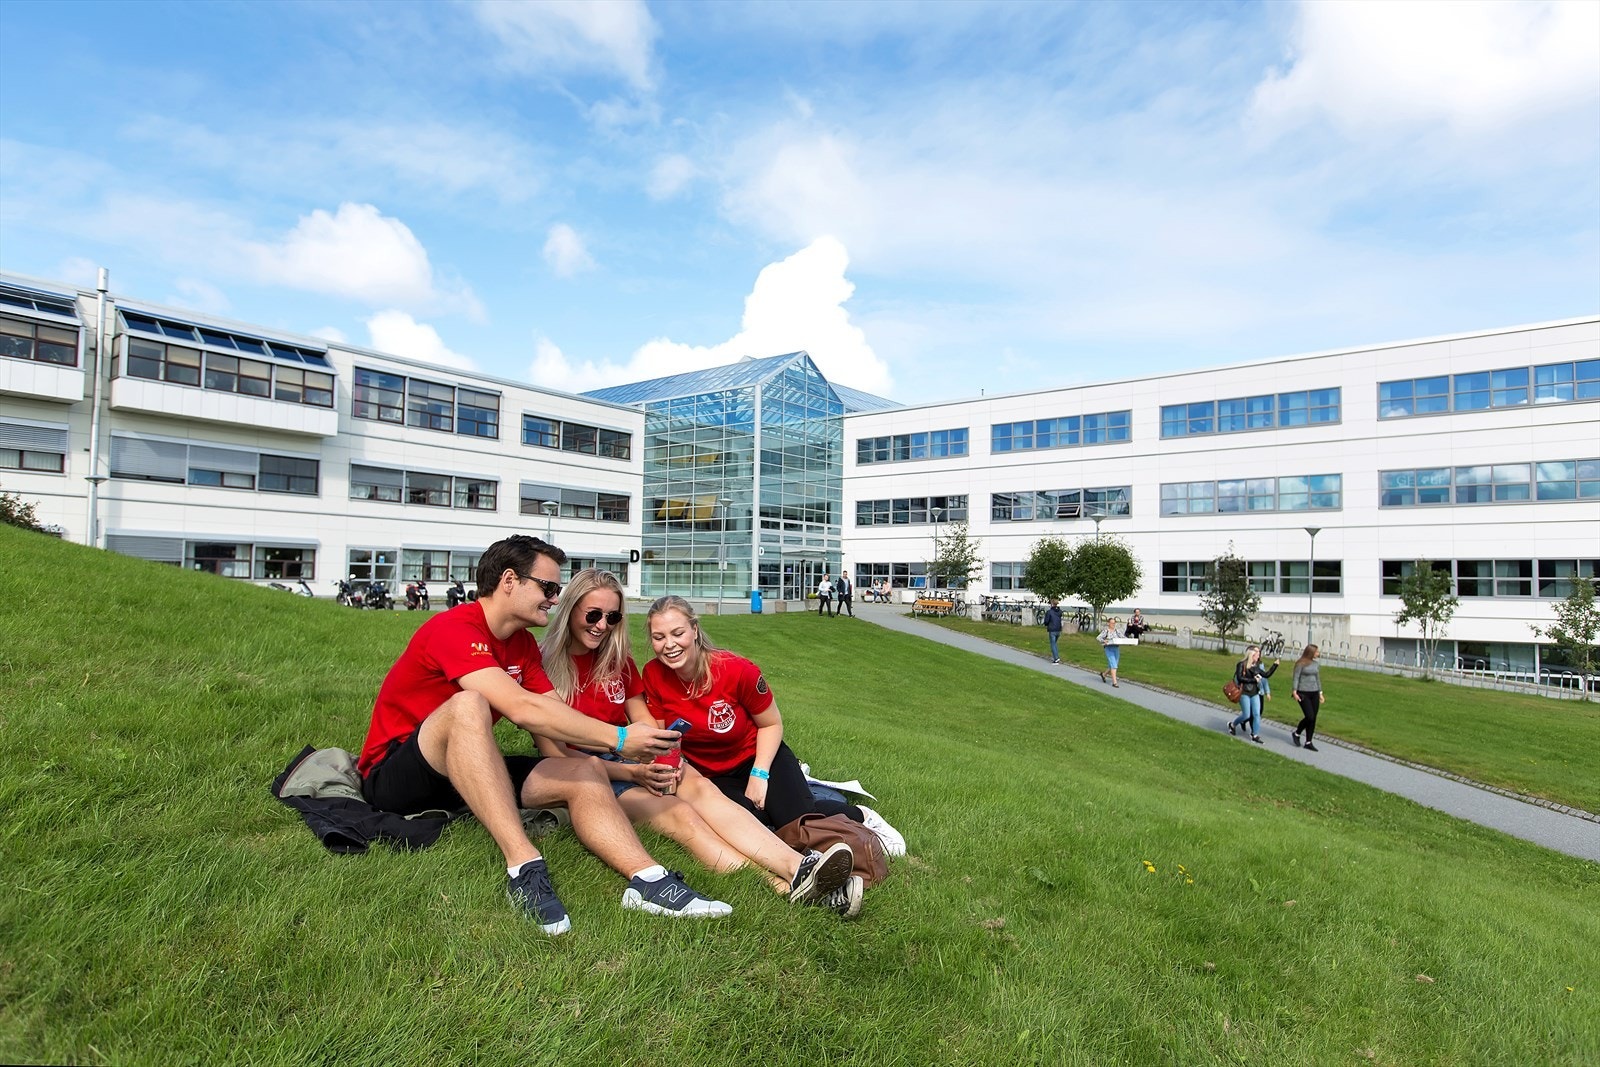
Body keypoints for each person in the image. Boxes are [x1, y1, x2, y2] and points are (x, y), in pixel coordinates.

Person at [357, 535, 731, 936]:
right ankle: (523, 866)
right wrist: (620, 739)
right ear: (509, 581)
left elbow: (554, 713)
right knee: (469, 704)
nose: (555, 599)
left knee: (585, 770)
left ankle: (649, 880)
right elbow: (523, 708)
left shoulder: (521, 645)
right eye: (548, 587)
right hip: (395, 775)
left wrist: (625, 747)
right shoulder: (454, 627)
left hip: (461, 773)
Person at [537, 569, 860, 916]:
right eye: (593, 615)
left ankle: (799, 868)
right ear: (570, 609)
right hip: (588, 772)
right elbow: (554, 753)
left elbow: (646, 725)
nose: (602, 625)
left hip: (631, 755)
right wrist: (633, 773)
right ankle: (783, 886)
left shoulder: (619, 663)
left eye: (612, 617)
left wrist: (661, 761)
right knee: (683, 817)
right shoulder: (543, 665)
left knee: (705, 791)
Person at [643, 595, 906, 860]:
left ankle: (862, 815)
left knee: (797, 823)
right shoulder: (653, 674)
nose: (669, 645)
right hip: (714, 775)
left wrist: (759, 774)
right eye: (659, 637)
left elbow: (771, 724)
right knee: (753, 825)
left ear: (694, 630)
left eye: (677, 633)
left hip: (758, 757)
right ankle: (793, 796)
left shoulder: (736, 670)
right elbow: (665, 737)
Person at [1227, 644, 1280, 744]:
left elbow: (1266, 675)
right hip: (1244, 693)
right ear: (1251, 655)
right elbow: (1240, 678)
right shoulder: (1241, 665)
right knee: (1246, 715)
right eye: (1256, 655)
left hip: (1255, 693)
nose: (1258, 657)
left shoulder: (1256, 667)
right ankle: (1233, 724)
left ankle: (1255, 735)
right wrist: (1254, 680)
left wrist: (1275, 665)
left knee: (1256, 714)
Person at [1290, 644, 1326, 752]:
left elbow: (1317, 679)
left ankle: (1308, 742)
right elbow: (1296, 678)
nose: (1318, 653)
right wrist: (1294, 691)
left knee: (1313, 718)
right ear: (1311, 652)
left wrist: (1320, 693)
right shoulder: (1300, 664)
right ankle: (1297, 733)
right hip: (1303, 692)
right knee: (1309, 716)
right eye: (1316, 652)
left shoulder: (1316, 664)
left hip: (1314, 692)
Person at [1097, 616, 1123, 687]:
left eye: (1114, 623)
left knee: (1113, 664)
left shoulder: (1117, 631)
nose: (1113, 625)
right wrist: (1104, 641)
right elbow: (1098, 637)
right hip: (1109, 648)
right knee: (1114, 665)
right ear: (1108, 623)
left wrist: (1130, 641)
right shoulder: (1106, 631)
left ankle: (1104, 674)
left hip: (1116, 648)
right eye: (1112, 623)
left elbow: (1123, 637)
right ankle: (1114, 682)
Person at [1043, 599, 1063, 664]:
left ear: (1052, 604)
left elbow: (1046, 621)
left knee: (1053, 644)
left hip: (1052, 630)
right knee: (1055, 644)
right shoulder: (1060, 612)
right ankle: (1056, 656)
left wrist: (1046, 624)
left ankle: (1056, 658)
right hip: (1058, 629)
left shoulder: (1049, 612)